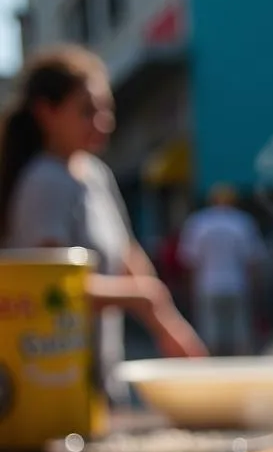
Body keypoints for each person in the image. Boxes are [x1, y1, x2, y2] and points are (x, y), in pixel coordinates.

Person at [0, 45, 206, 401]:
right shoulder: (44, 182)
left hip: (98, 376)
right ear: (46, 113)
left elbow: (128, 256)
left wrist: (171, 330)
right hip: (50, 379)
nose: (104, 121)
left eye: (105, 109)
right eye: (87, 111)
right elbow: (52, 290)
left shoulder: (95, 174)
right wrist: (141, 298)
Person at [179, 184, 266, 356]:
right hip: (237, 285)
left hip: (207, 286)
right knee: (240, 335)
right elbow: (253, 259)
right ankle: (243, 375)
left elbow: (189, 260)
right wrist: (256, 287)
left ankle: (210, 374)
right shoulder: (242, 222)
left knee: (209, 335)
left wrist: (189, 287)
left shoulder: (199, 222)